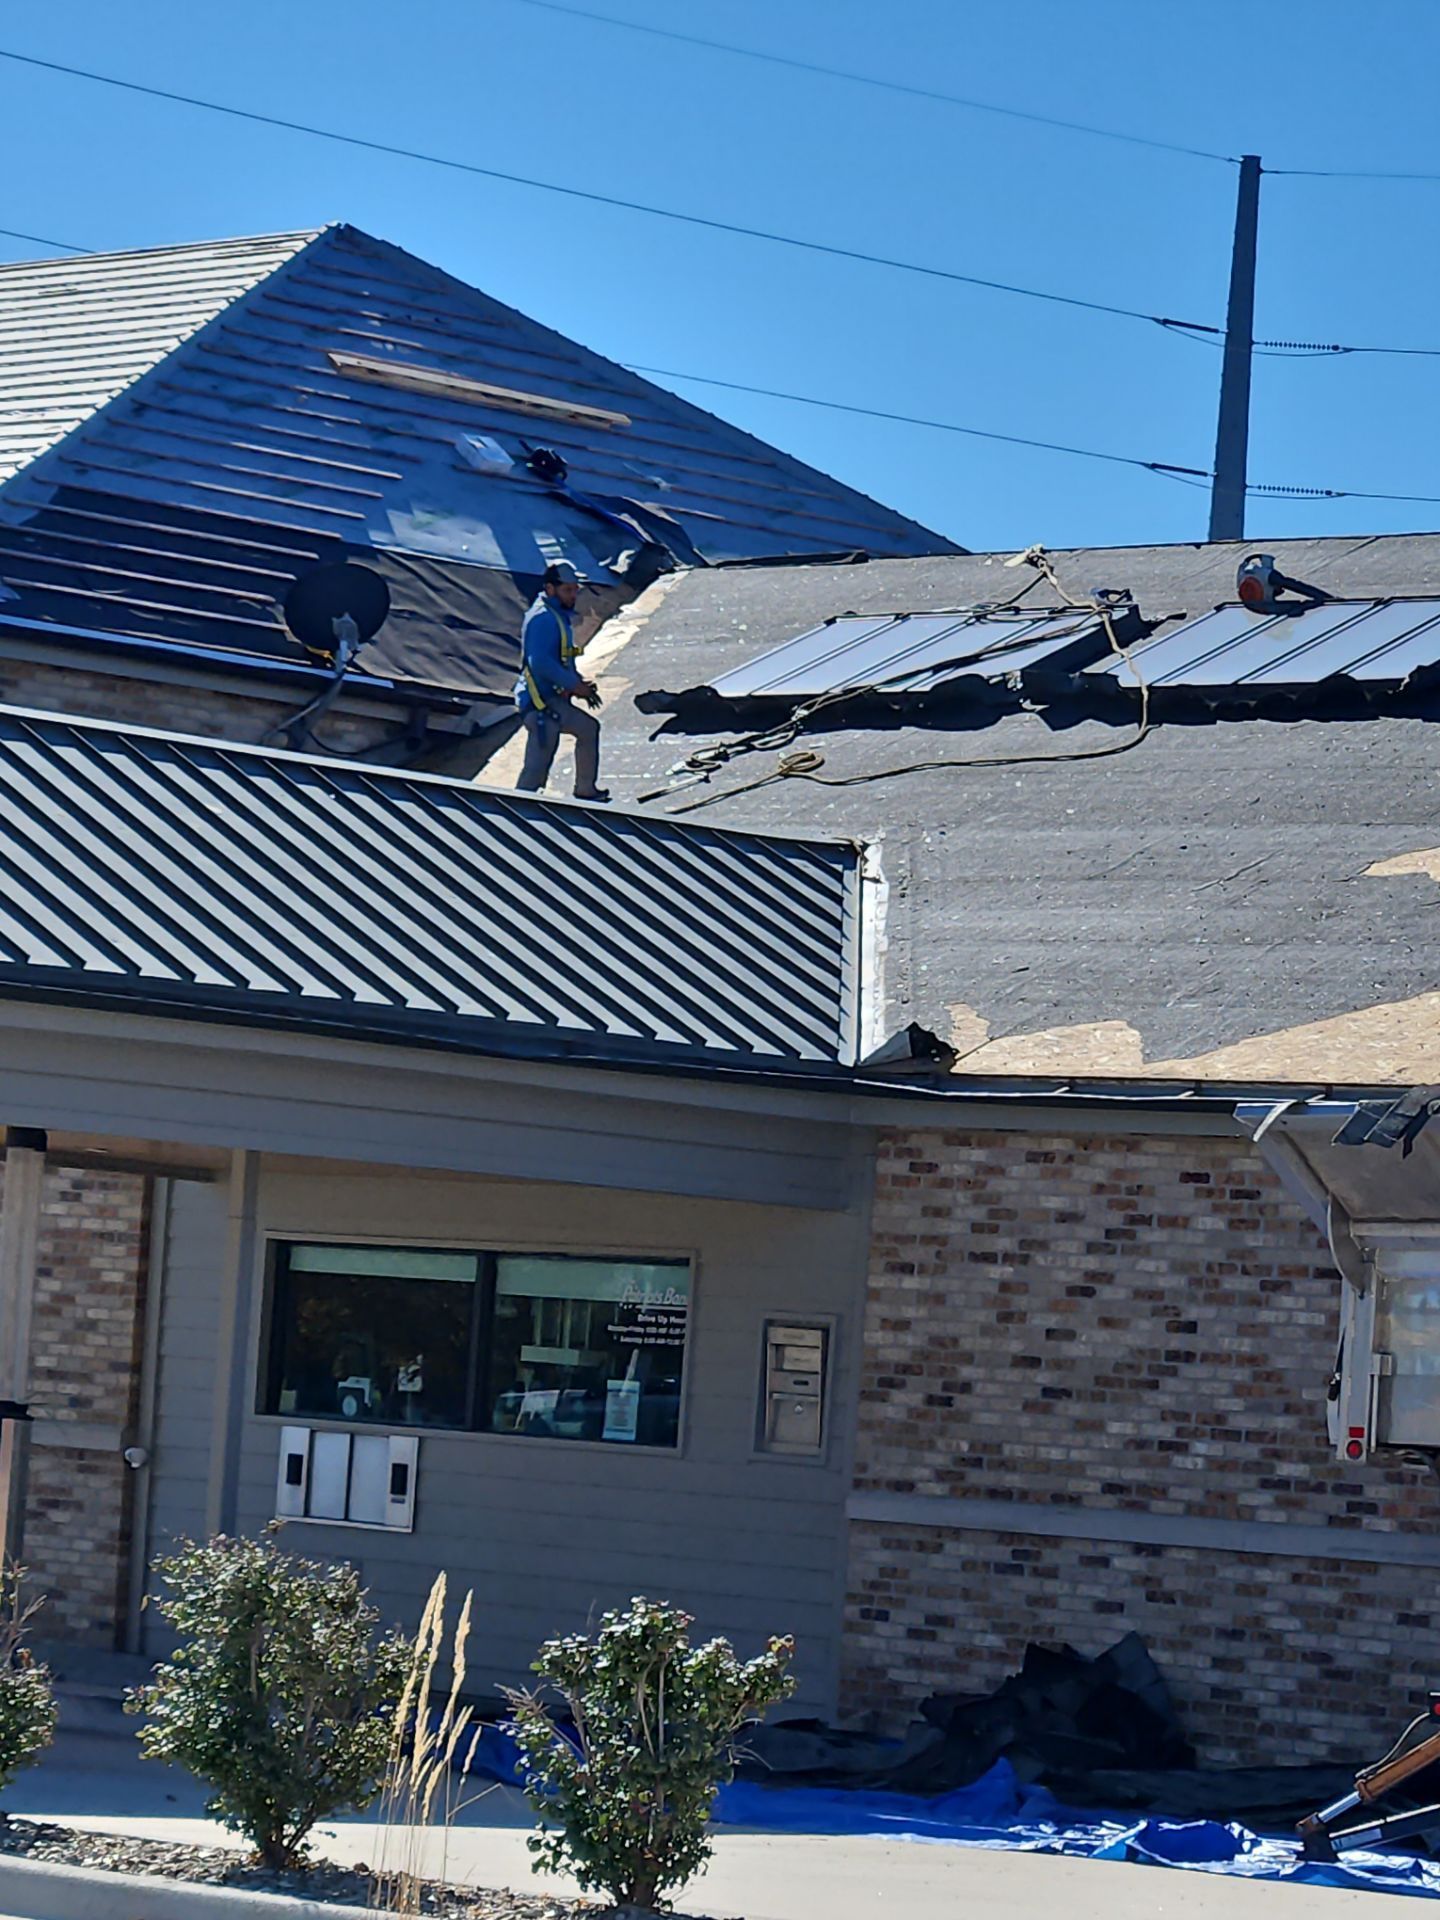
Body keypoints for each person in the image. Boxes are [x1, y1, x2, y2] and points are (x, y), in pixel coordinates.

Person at [514, 559, 609, 801]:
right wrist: (573, 685)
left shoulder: (555, 614)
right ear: (550, 589)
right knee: (536, 768)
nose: (573, 595)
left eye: (575, 589)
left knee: (588, 729)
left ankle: (585, 789)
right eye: (568, 590)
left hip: (553, 700)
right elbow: (541, 663)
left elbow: (561, 657)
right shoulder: (543, 618)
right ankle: (518, 807)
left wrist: (576, 682)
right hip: (541, 705)